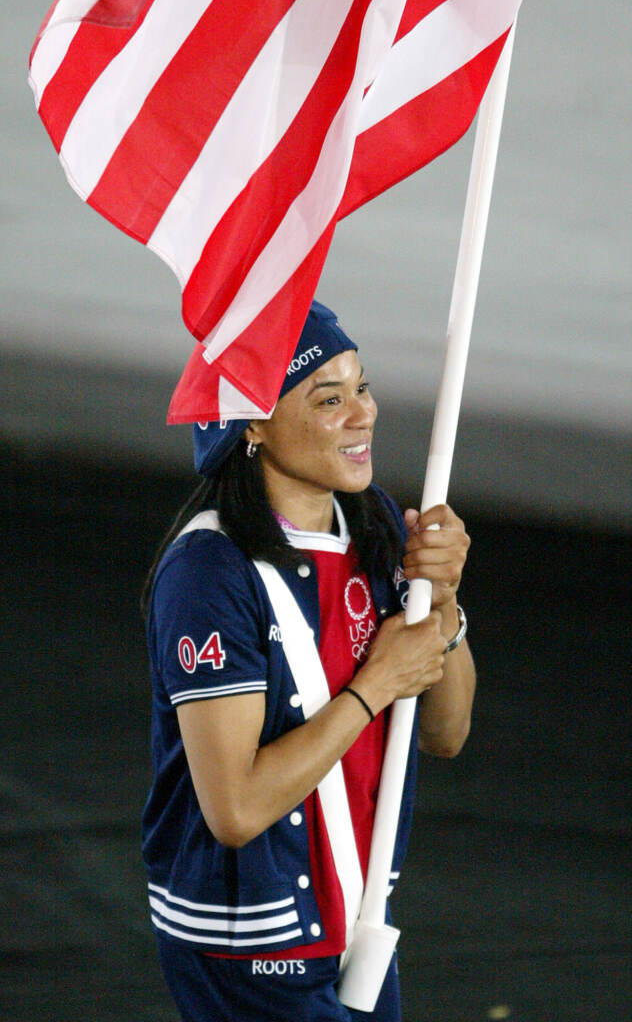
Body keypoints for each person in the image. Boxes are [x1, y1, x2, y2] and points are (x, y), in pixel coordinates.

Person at [141, 300, 475, 1022]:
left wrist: (442, 602)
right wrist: (375, 683)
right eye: (329, 398)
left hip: (354, 919)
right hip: (248, 939)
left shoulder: (376, 524)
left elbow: (445, 733)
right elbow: (236, 809)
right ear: (251, 424)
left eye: (361, 386)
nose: (363, 415)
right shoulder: (210, 573)